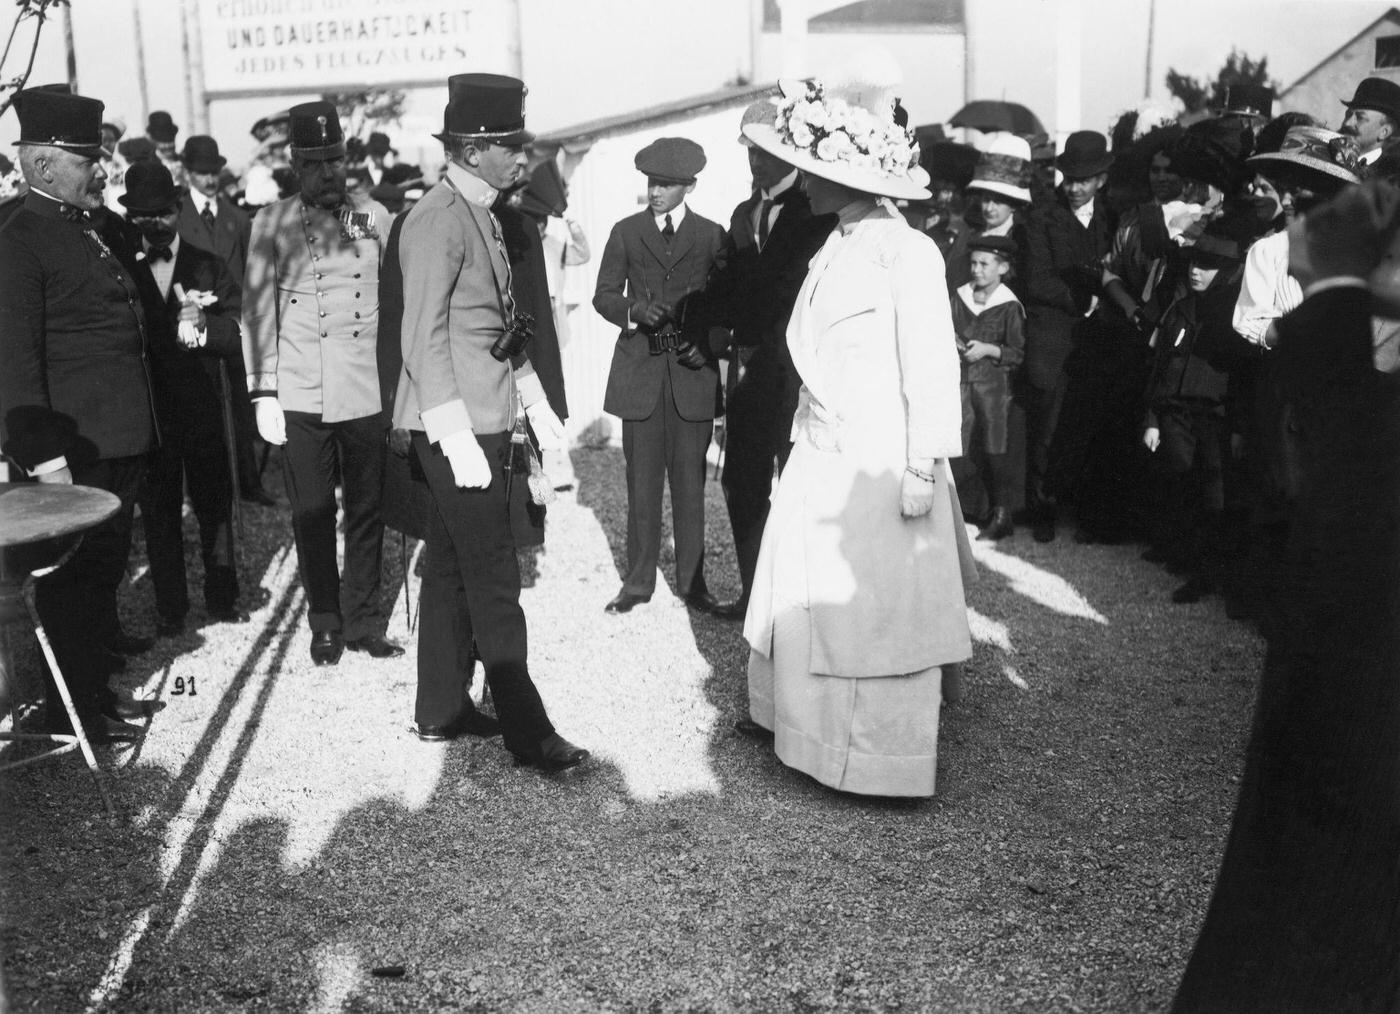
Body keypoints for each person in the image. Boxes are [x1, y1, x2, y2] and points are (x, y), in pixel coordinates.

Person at [737, 72, 975, 798]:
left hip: (881, 457)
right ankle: (806, 735)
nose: (802, 182)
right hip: (825, 451)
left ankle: (880, 761)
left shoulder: (907, 251)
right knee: (813, 600)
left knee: (877, 616)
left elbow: (933, 365)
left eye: (816, 171)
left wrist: (924, 466)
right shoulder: (834, 243)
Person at [393, 72, 588, 772]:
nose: (523, 159)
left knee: (448, 566)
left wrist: (532, 396)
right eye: (511, 146)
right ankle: (528, 730)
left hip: (485, 416)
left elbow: (492, 328)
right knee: (493, 574)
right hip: (457, 427)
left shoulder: (480, 210)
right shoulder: (439, 217)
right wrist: (450, 433)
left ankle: (439, 709)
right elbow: (423, 337)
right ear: (474, 149)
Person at [0, 88, 158, 743]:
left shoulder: (82, 226)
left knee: (102, 573)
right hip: (74, 448)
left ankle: (92, 690)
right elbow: (13, 364)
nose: (102, 168)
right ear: (41, 166)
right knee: (74, 582)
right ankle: (75, 712)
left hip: (116, 439)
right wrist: (47, 459)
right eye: (87, 158)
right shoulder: (18, 240)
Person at [242, 101, 402, 666]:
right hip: (303, 392)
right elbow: (258, 311)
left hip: (362, 391)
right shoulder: (272, 222)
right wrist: (263, 391)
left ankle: (362, 621)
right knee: (311, 513)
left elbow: (395, 308)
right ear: (296, 164)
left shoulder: (375, 218)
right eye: (315, 164)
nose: (327, 173)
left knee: (366, 511)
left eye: (335, 161)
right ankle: (325, 621)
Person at [703, 99, 835, 614]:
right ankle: (757, 594)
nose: (755, 161)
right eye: (750, 151)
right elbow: (729, 283)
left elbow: (797, 291)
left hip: (797, 370)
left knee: (802, 482)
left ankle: (807, 601)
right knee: (743, 480)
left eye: (766, 151)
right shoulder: (742, 214)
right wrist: (712, 320)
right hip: (748, 369)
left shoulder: (817, 213)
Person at [592, 137, 730, 616]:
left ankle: (694, 585)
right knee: (641, 486)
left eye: (667, 185)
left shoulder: (713, 236)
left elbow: (726, 306)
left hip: (692, 375)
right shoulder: (626, 232)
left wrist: (708, 345)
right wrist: (632, 309)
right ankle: (637, 583)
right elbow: (603, 293)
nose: (655, 192)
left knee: (691, 488)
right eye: (652, 183)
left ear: (689, 187)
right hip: (641, 377)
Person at [120, 160, 249, 635]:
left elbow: (237, 333)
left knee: (213, 504)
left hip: (201, 407)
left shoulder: (207, 264)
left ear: (178, 208)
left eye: (162, 213)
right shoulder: (122, 268)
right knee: (159, 511)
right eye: (142, 216)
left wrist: (203, 330)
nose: (153, 224)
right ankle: (170, 607)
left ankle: (222, 597)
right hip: (149, 412)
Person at [1140, 218, 1255, 603]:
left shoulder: (1234, 318)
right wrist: (1153, 418)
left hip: (1214, 416)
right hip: (1175, 413)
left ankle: (1207, 572)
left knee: (1213, 494)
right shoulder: (1182, 306)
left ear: (1227, 272)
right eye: (1193, 263)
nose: (1195, 271)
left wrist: (1238, 427)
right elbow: (1161, 365)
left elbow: (1242, 378)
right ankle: (1183, 555)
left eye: (1206, 266)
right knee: (1181, 485)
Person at [1021, 130, 1115, 543]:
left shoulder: (1114, 217)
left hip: (1098, 339)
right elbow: (1037, 280)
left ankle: (1086, 510)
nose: (1074, 188)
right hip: (1054, 335)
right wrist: (1087, 301)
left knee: (1090, 422)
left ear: (1101, 179)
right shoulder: (1042, 217)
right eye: (1069, 179)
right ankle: (1042, 508)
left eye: (1084, 180)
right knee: (1048, 424)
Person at [176, 134, 271, 508]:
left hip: (233, 322)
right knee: (198, 409)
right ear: (187, 173)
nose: (210, 179)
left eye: (214, 172)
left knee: (240, 407)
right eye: (201, 172)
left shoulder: (236, 217)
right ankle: (195, 488)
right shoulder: (178, 214)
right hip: (193, 322)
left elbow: (252, 271)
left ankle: (248, 482)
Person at [952, 234, 1025, 541]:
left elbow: (1017, 353)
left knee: (995, 445)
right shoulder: (960, 296)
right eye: (973, 263)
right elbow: (948, 328)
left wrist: (988, 349)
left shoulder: (1009, 305)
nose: (977, 270)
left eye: (985, 264)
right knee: (958, 440)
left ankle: (1001, 515)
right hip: (961, 379)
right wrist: (957, 344)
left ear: (1003, 267)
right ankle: (961, 510)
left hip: (995, 385)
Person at [1339, 77, 1400, 169]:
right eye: (1348, 115)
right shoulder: (1325, 156)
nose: (1347, 123)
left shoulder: (1390, 177)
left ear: (1384, 132)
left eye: (1360, 118)